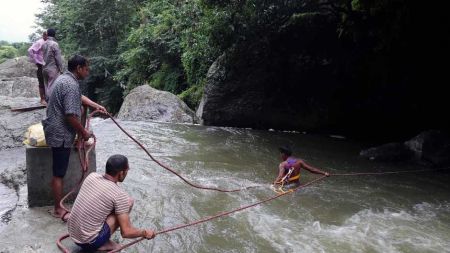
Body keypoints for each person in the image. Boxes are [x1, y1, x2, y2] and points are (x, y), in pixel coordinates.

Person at [42, 54, 107, 220]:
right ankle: (58, 208)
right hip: (60, 134)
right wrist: (84, 134)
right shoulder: (70, 85)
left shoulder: (64, 79)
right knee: (59, 172)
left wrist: (95, 105)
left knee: (59, 170)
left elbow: (78, 97)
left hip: (54, 129)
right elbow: (70, 116)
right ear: (78, 68)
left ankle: (58, 206)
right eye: (86, 69)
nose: (88, 72)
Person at [68, 154, 156, 251]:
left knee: (117, 205)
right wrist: (144, 233)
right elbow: (126, 232)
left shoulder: (92, 176)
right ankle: (101, 244)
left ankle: (98, 236)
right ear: (121, 173)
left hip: (72, 233)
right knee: (128, 202)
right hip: (88, 242)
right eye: (127, 171)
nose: (127, 173)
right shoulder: (119, 195)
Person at [42, 28, 64, 101]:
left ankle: (47, 101)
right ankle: (50, 102)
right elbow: (58, 58)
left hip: (44, 68)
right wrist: (61, 68)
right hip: (52, 68)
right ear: (54, 35)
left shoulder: (43, 43)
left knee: (46, 86)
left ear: (47, 34)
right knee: (51, 86)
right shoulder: (54, 44)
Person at [27, 31, 48, 105]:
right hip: (41, 64)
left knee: (47, 82)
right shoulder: (39, 42)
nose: (47, 37)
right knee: (41, 82)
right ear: (44, 35)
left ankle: (46, 98)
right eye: (46, 36)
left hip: (47, 65)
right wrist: (36, 59)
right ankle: (42, 99)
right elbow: (30, 50)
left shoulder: (48, 42)